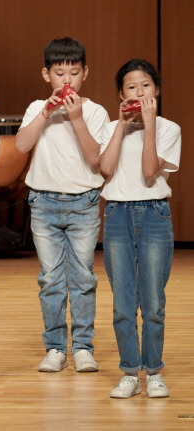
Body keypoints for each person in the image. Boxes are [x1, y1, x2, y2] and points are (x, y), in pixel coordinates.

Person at [16, 37, 109, 372]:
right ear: (46, 75)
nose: (66, 80)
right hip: (43, 203)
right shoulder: (35, 108)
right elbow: (22, 145)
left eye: (73, 72)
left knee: (83, 276)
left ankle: (82, 346)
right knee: (51, 278)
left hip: (84, 202)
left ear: (85, 73)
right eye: (59, 73)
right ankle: (55, 347)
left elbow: (95, 158)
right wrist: (46, 112)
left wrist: (77, 117)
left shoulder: (95, 111)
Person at [100, 59, 180, 399]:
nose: (139, 92)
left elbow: (150, 172)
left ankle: (155, 371)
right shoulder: (110, 126)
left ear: (157, 90)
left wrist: (148, 124)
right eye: (131, 87)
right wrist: (120, 126)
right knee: (122, 303)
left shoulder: (167, 128)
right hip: (117, 215)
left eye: (146, 86)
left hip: (154, 215)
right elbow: (105, 169)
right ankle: (130, 372)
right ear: (120, 94)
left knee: (153, 302)